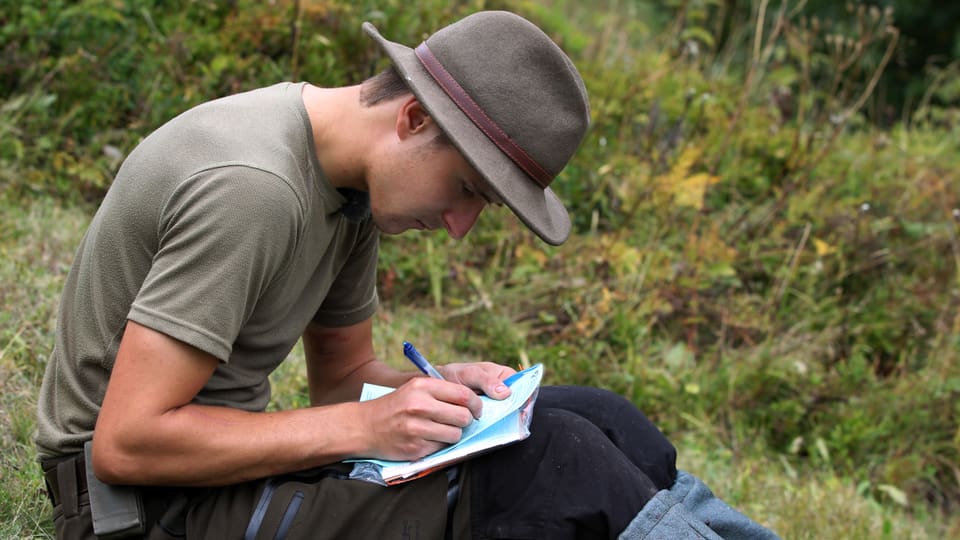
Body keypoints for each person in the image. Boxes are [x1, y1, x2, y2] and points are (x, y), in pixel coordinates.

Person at [36, 10, 777, 540]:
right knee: (559, 468)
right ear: (415, 120)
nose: (460, 227)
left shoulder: (346, 186)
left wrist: (433, 392)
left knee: (599, 420)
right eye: (466, 192)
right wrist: (363, 425)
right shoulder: (254, 188)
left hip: (215, 471)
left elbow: (342, 378)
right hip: (138, 506)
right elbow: (125, 441)